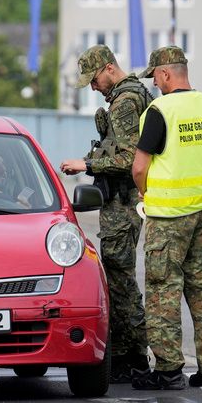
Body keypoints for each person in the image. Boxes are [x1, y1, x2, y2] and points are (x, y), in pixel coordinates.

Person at [130, 46, 202, 391]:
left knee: (162, 291)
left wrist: (143, 192)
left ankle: (169, 369)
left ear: (166, 74)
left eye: (155, 76)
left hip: (168, 215)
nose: (154, 83)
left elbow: (140, 166)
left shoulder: (160, 110)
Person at [60, 44, 152, 383]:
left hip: (124, 204)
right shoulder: (128, 96)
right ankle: (128, 354)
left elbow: (130, 158)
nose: (93, 86)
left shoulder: (126, 101)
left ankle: (135, 355)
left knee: (120, 280)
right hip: (123, 203)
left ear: (109, 69)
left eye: (94, 79)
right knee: (116, 277)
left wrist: (88, 164)